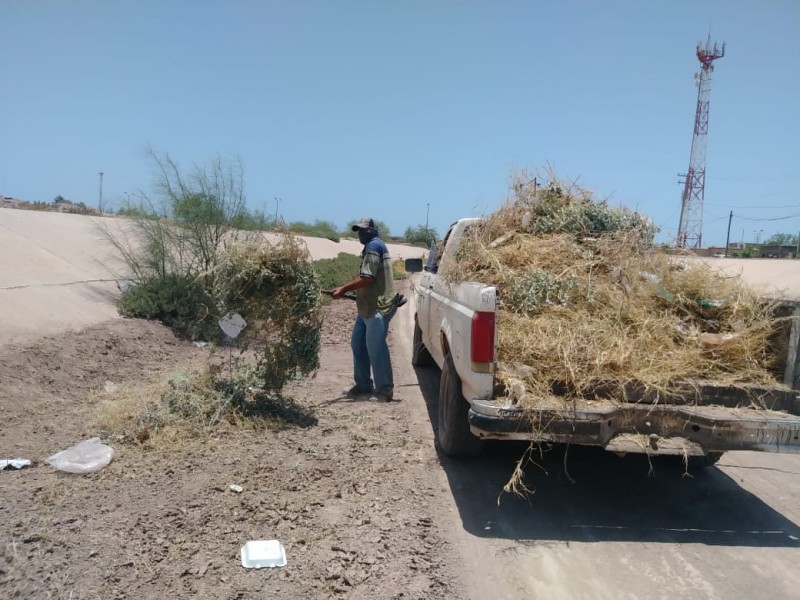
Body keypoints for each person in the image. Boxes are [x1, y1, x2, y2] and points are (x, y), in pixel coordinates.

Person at [332, 217, 397, 402]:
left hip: (378, 307)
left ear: (372, 230)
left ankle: (384, 390)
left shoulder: (374, 247)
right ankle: (363, 385)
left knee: (375, 348)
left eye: (363, 230)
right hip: (366, 308)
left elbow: (367, 278)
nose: (360, 233)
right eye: (359, 230)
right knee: (358, 344)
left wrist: (343, 289)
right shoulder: (371, 246)